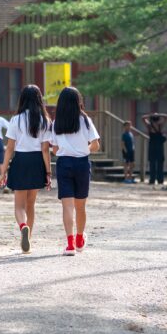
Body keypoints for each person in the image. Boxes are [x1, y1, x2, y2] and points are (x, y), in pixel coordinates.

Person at [0, 85, 53, 254]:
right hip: (37, 161)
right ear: (39, 99)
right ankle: (28, 238)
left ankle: (23, 227)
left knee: (19, 205)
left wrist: (3, 170)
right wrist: (48, 172)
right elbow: (45, 150)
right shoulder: (45, 120)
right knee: (31, 204)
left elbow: (9, 148)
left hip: (20, 160)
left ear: (22, 99)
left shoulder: (16, 120)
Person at [50, 87, 100, 256]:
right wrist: (82, 148)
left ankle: (70, 244)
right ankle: (80, 239)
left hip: (64, 164)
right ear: (78, 101)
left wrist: (67, 149)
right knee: (81, 206)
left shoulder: (56, 122)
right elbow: (95, 145)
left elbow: (54, 150)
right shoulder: (85, 120)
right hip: (82, 164)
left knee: (67, 206)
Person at [142, 112, 167, 186]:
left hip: (152, 145)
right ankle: (160, 180)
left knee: (152, 163)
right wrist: (158, 114)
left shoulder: (149, 126)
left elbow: (143, 118)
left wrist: (151, 115)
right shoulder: (160, 125)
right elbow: (166, 116)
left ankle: (152, 180)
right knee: (159, 163)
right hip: (159, 145)